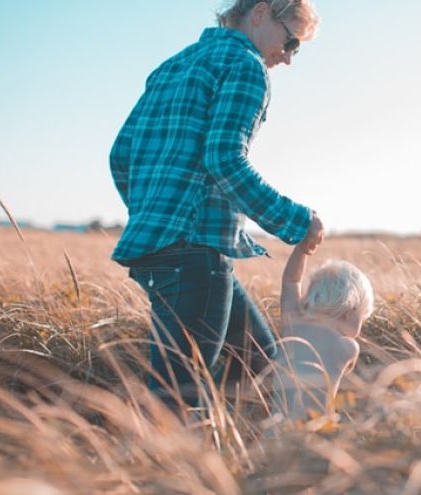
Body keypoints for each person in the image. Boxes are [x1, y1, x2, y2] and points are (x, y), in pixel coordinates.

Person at [109, 0, 323, 407]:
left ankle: (237, 459)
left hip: (161, 248)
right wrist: (298, 222)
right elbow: (224, 159)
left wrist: (153, 215)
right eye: (291, 41)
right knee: (177, 398)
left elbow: (120, 156)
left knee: (259, 360)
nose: (289, 57)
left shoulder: (172, 65)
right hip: (194, 252)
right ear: (260, 13)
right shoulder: (246, 66)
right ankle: (161, 466)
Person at [270, 243, 374, 421]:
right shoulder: (348, 347)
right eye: (362, 318)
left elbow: (291, 281)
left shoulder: (293, 322)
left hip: (273, 430)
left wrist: (301, 251)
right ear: (350, 312)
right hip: (313, 431)